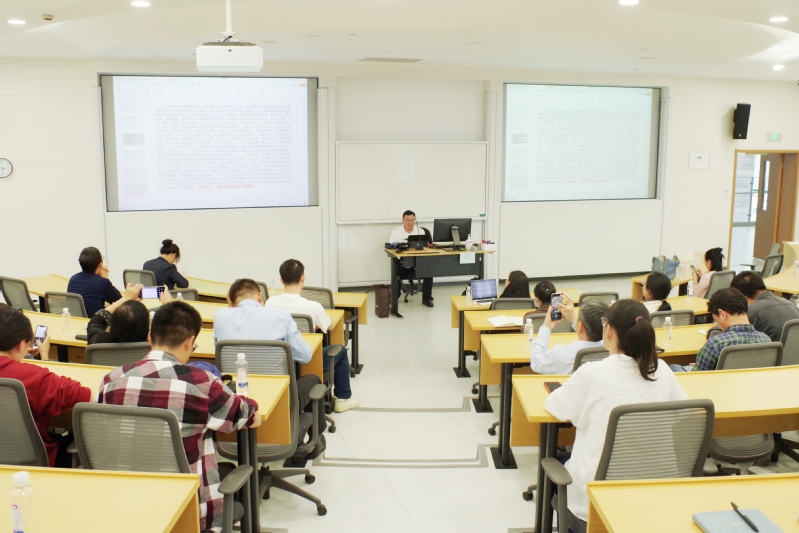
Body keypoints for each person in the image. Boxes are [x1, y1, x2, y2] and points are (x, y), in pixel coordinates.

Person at [99, 302, 261, 532]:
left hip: (125, 506)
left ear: (149, 337)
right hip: (187, 511)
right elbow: (250, 417)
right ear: (188, 342)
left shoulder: (111, 380)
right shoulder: (203, 383)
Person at [544, 299, 687, 528]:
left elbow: (556, 407)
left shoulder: (592, 373)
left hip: (598, 501)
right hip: (655, 494)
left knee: (559, 463)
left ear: (608, 330)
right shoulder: (662, 370)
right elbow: (682, 413)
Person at [213, 279, 326, 434]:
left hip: (237, 396)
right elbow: (305, 356)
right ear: (260, 296)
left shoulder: (220, 317)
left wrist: (230, 307)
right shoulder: (281, 316)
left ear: (231, 300)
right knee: (313, 379)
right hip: (278, 399)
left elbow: (218, 349)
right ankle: (317, 437)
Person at [0, 304, 92, 467]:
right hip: (33, 465)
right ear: (21, 345)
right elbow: (85, 396)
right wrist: (44, 357)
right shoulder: (32, 377)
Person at [264, 259, 360, 412]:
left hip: (279, 361)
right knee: (340, 351)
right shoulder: (313, 307)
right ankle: (342, 399)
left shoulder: (270, 303)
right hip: (306, 360)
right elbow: (330, 326)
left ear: (281, 280)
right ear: (303, 278)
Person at [671, 288, 770, 372]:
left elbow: (697, 378)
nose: (718, 324)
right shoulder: (766, 340)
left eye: (716, 320)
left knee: (673, 367)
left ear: (722, 314)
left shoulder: (715, 344)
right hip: (753, 387)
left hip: (718, 387)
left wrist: (697, 367)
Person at [530, 295, 609, 374]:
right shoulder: (610, 351)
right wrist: (574, 319)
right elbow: (587, 329)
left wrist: (546, 327)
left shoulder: (560, 354)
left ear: (581, 326)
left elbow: (536, 362)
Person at [87, 283, 172, 345]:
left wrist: (124, 298)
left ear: (113, 322)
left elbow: (97, 319)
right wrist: (169, 305)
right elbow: (175, 329)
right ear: (146, 326)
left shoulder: (98, 342)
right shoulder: (156, 345)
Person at [731, 270, 799, 342]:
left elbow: (732, 339)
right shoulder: (790, 304)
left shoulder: (750, 312)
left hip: (773, 349)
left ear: (742, 297)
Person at [389, 210, 433, 307]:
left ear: (415, 219)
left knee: (429, 272)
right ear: (403, 220)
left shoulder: (420, 231)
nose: (410, 222)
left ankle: (426, 298)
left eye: (412, 220)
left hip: (418, 262)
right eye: (407, 220)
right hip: (402, 262)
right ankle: (395, 296)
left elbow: (426, 247)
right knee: (396, 272)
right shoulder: (396, 231)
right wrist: (399, 245)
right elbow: (391, 245)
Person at [67, 246, 122, 316]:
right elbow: (121, 302)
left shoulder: (73, 279)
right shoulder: (103, 283)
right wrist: (102, 278)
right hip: (95, 321)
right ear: (100, 265)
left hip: (78, 321)